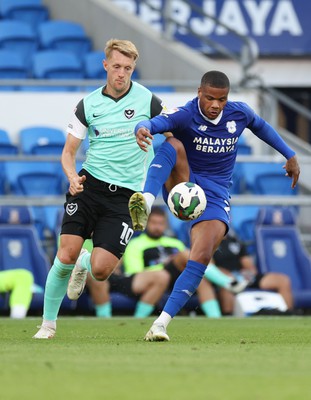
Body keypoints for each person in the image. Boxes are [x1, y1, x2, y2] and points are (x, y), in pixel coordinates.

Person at [128, 70, 300, 341]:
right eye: (210, 98)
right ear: (200, 93)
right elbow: (154, 122)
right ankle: (145, 203)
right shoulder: (186, 113)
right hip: (183, 183)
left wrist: (289, 154)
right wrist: (142, 128)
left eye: (222, 99)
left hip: (215, 196)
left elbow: (262, 126)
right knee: (173, 143)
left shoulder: (239, 113)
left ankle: (160, 324)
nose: (215, 105)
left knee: (203, 254)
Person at [33, 38, 164, 339]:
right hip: (89, 186)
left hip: (126, 197)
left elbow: (173, 133)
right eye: (116, 66)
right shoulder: (88, 104)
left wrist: (156, 150)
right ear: (105, 65)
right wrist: (71, 176)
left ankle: (86, 261)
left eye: (128, 68)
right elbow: (68, 152)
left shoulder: (149, 101)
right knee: (65, 254)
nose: (122, 73)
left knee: (102, 270)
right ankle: (48, 324)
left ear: (133, 69)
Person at [87, 206, 248, 318]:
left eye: (161, 223)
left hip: (175, 279)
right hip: (149, 278)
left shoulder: (174, 242)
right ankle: (228, 282)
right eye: (154, 223)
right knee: (185, 257)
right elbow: (135, 270)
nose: (157, 227)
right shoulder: (137, 244)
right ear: (146, 223)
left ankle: (215, 319)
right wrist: (166, 264)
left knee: (198, 274)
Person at [213, 230, 294, 315]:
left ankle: (288, 314)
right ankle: (229, 318)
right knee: (227, 285)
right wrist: (229, 276)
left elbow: (248, 264)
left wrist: (248, 274)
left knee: (283, 280)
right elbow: (210, 267)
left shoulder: (234, 240)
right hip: (224, 279)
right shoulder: (210, 242)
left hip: (243, 277)